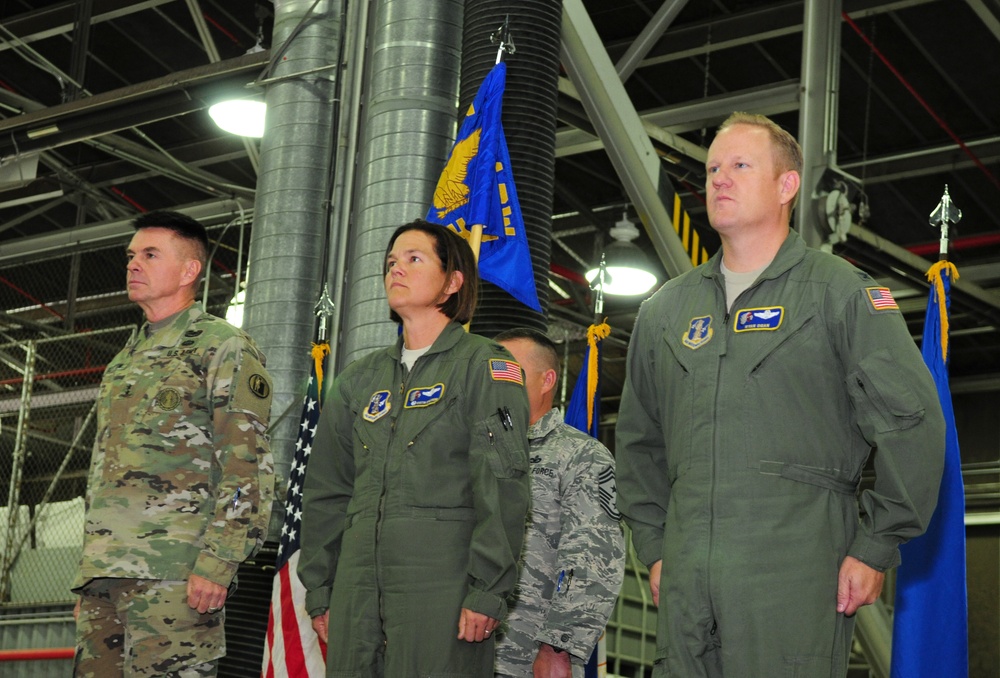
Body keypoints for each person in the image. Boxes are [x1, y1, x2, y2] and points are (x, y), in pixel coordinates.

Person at [615, 112, 945, 677]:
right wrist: (656, 547)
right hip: (688, 574)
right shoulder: (664, 312)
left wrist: (875, 546)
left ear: (787, 185)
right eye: (713, 167)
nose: (719, 178)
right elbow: (639, 443)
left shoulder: (839, 293)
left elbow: (912, 422)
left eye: (740, 165)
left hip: (795, 570)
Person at [298, 219, 531, 677]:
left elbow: (502, 485)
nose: (395, 270)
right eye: (390, 262)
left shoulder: (485, 366)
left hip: (441, 583)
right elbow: (326, 491)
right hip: (356, 587)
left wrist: (488, 589)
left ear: (452, 282)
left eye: (413, 259)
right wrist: (322, 587)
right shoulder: (357, 381)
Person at [72, 210, 275, 677]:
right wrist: (88, 579)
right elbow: (102, 472)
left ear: (189, 271)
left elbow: (249, 465)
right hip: (105, 576)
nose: (133, 265)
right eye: (130, 256)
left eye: (149, 254)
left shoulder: (222, 346)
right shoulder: (123, 361)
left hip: (176, 575)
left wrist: (219, 562)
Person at [493, 328, 625, 678]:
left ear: (546, 379)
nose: (496, 381)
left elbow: (592, 556)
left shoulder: (579, 455)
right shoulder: (465, 453)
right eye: (491, 371)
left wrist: (559, 648)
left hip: (525, 658)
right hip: (452, 651)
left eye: (509, 370)